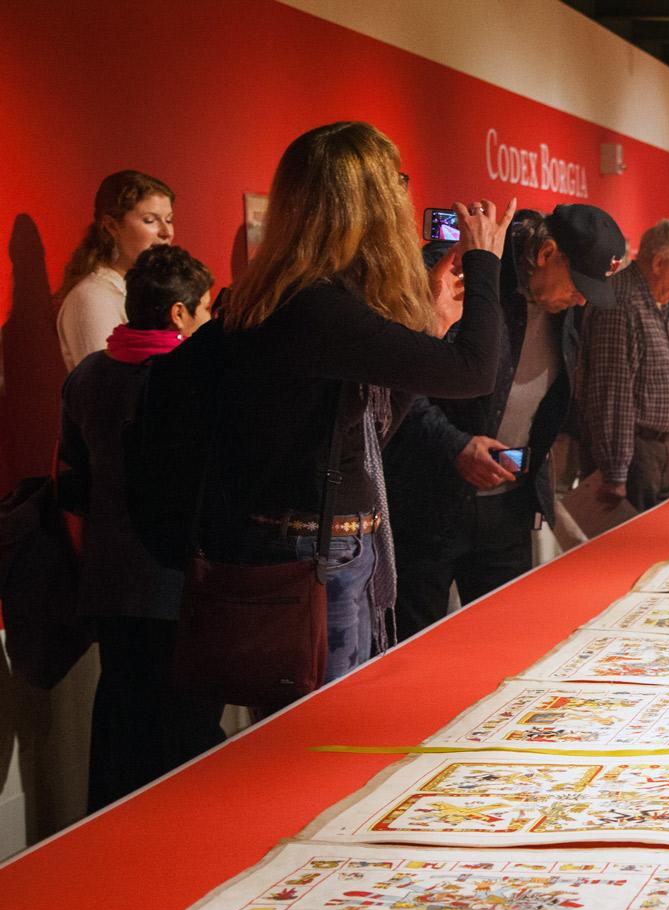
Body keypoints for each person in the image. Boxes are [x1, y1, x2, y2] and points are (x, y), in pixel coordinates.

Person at [151, 121, 510, 686]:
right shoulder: (314, 309)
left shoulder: (293, 301)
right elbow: (473, 372)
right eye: (396, 184)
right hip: (315, 556)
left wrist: (432, 323)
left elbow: (358, 437)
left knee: (325, 730)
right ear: (366, 204)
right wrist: (486, 261)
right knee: (324, 735)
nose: (404, 197)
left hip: (327, 546)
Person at [389, 203, 624, 632]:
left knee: (501, 639)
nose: (584, 297)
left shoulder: (564, 307)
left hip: (508, 510)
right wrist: (454, 444)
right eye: (580, 283)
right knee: (412, 646)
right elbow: (399, 383)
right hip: (428, 504)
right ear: (547, 253)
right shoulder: (466, 275)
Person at [56, 244, 222, 808]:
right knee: (186, 728)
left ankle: (103, 846)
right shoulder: (193, 379)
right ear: (180, 313)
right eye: (206, 309)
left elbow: (72, 483)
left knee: (121, 721)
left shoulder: (86, 376)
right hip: (181, 577)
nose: (211, 320)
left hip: (107, 577)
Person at [575, 218, 669, 515]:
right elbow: (612, 392)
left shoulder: (653, 301)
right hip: (634, 454)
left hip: (658, 448)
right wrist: (615, 470)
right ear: (659, 263)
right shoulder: (622, 303)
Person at [54, 170, 176, 371]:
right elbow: (106, 385)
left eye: (169, 219)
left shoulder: (145, 290)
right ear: (111, 225)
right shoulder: (92, 297)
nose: (166, 232)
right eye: (150, 220)